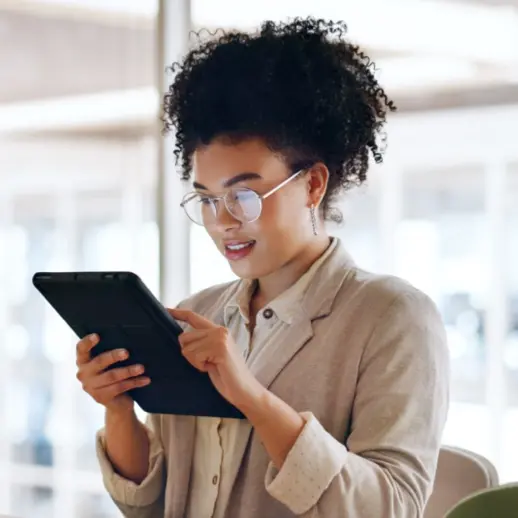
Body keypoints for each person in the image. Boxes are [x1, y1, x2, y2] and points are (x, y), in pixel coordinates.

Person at [75, 17, 449, 518]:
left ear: (313, 184)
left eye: (244, 196)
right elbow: (158, 505)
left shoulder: (393, 317)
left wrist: (251, 397)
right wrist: (118, 408)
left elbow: (393, 507)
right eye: (207, 200)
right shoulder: (198, 313)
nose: (223, 222)